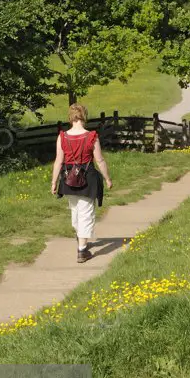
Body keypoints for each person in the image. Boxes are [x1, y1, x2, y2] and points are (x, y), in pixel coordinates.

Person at [51, 103, 112, 263]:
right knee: (86, 213)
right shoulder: (92, 136)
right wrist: (107, 178)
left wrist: (54, 182)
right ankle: (82, 250)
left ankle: (81, 239)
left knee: (76, 211)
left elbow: (58, 161)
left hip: (68, 178)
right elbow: (99, 160)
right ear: (84, 116)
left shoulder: (62, 137)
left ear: (70, 117)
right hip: (88, 178)